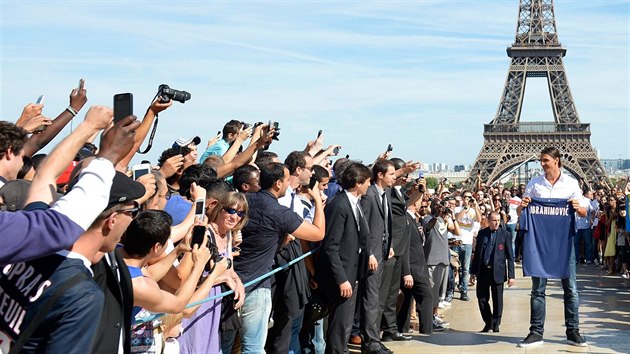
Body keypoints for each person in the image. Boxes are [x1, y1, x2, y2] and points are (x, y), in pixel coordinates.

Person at [516, 147, 589, 348]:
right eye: (541, 160)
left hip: (563, 242)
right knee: (537, 289)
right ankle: (536, 331)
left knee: (571, 288)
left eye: (546, 160)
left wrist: (577, 207)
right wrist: (523, 205)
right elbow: (520, 210)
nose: (542, 164)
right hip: (539, 243)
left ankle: (573, 331)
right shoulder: (534, 184)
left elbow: (584, 212)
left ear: (557, 161)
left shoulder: (571, 184)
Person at [315, 162, 372, 354]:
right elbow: (331, 246)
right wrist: (341, 279)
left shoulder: (355, 203)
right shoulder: (339, 205)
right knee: (339, 325)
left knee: (345, 323)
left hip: (353, 272)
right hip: (342, 276)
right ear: (357, 183)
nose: (369, 186)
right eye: (367, 182)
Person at [470, 211, 515, 333]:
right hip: (483, 271)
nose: (496, 223)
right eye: (494, 220)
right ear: (489, 221)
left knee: (497, 300)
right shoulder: (482, 233)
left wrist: (511, 275)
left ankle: (496, 323)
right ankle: (488, 322)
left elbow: (510, 256)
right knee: (482, 298)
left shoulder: (505, 234)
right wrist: (473, 272)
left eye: (498, 220)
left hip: (498, 271)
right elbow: (477, 254)